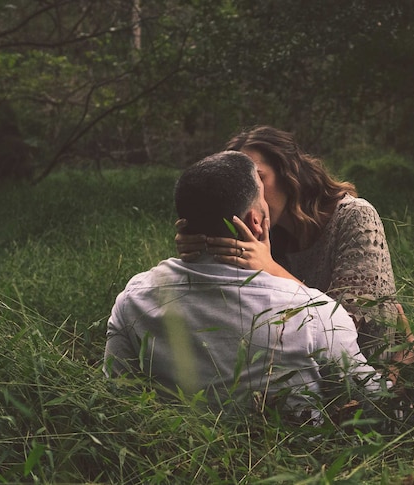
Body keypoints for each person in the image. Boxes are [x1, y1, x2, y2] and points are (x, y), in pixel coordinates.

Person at [104, 151, 384, 419]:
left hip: (172, 462)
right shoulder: (315, 315)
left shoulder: (133, 300)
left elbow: (117, 400)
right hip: (296, 464)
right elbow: (377, 407)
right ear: (255, 222)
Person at [176, 126, 414, 365]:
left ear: (288, 173)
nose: (249, 194)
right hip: (295, 379)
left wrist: (269, 268)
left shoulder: (354, 217)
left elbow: (346, 329)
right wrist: (199, 249)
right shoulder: (261, 233)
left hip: (369, 380)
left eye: (258, 179)